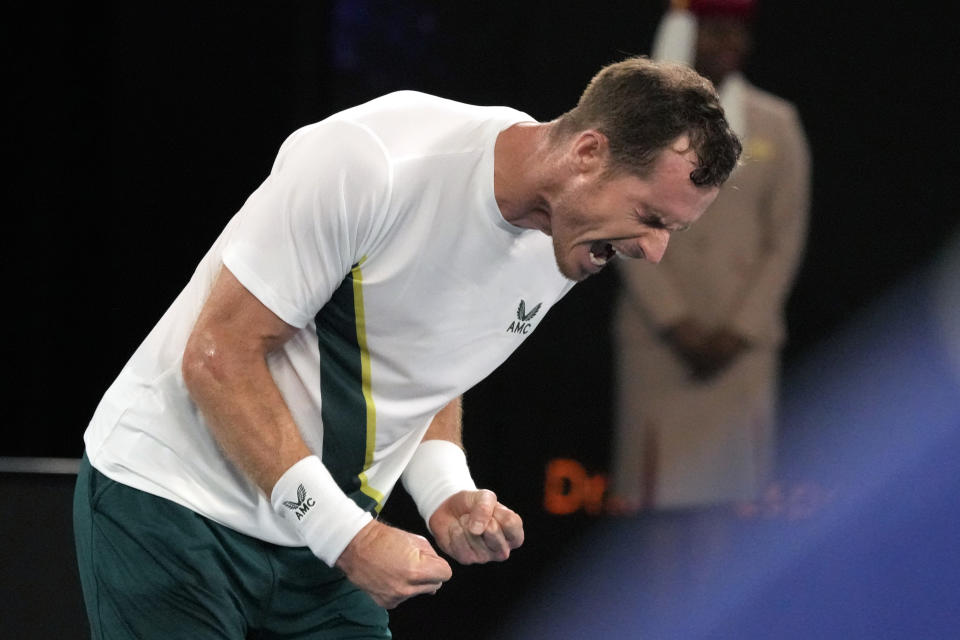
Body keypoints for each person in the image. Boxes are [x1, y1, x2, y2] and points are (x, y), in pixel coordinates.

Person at [74, 56, 740, 638]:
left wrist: (445, 491)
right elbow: (217, 357)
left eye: (671, 231)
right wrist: (348, 537)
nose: (654, 253)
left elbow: (429, 364)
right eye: (651, 219)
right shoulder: (373, 161)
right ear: (587, 154)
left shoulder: (572, 234)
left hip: (316, 538)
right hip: (172, 505)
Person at [609, 0, 811, 512]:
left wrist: (740, 327)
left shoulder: (776, 123)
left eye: (737, 34)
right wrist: (675, 323)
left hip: (738, 349)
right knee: (651, 514)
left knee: (732, 515)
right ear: (687, 34)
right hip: (661, 344)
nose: (728, 45)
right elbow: (615, 220)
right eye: (715, 32)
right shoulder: (636, 124)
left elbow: (784, 238)